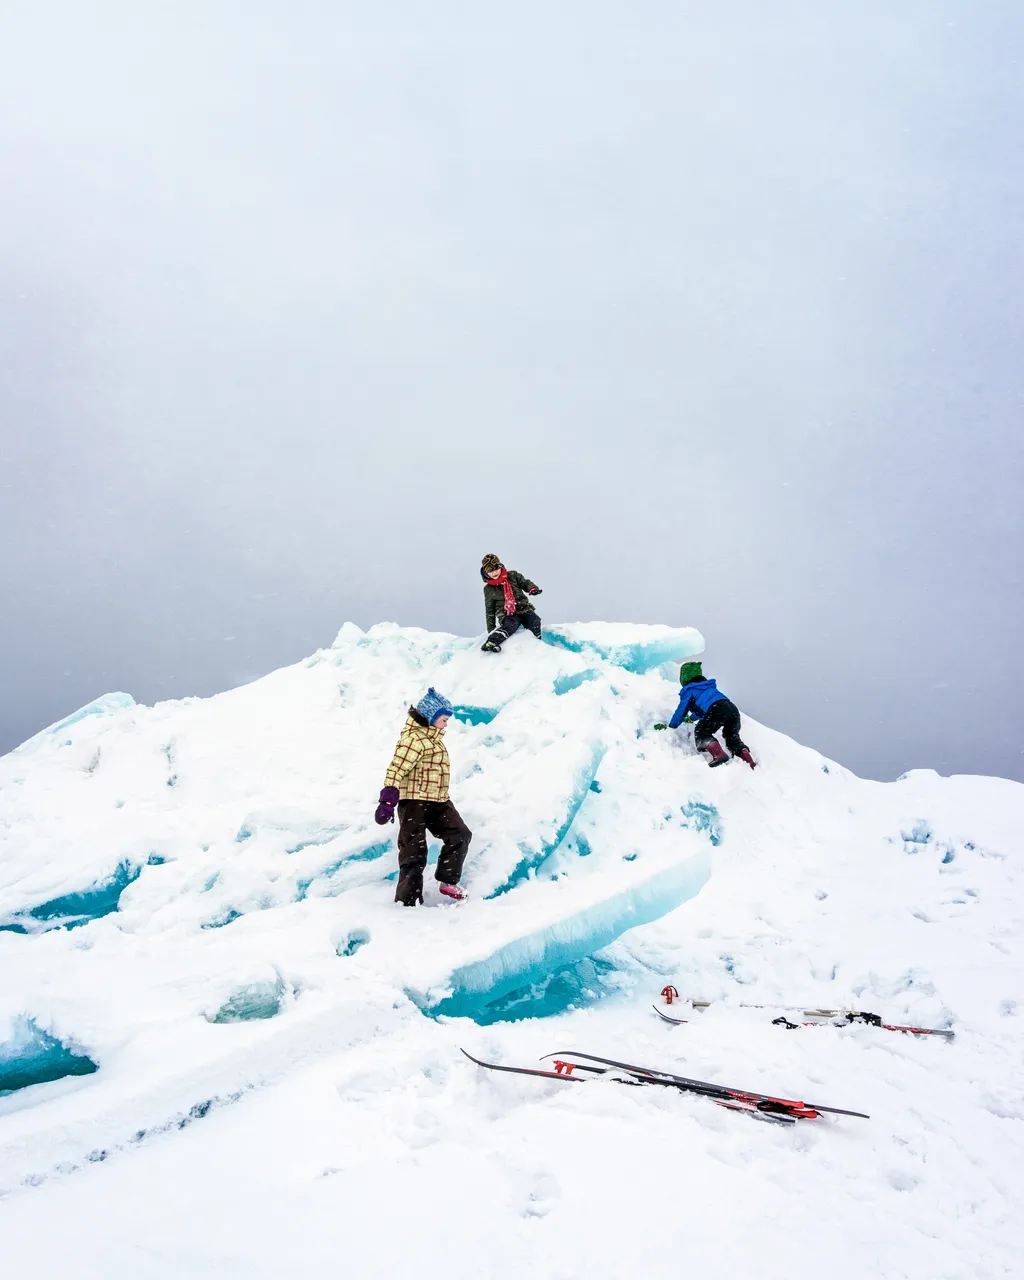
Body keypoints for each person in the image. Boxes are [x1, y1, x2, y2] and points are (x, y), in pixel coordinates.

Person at [374, 688, 472, 905]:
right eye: (444, 719)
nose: (446, 724)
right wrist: (387, 800)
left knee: (460, 834)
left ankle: (447, 881)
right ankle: (407, 901)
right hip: (414, 803)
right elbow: (396, 769)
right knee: (413, 851)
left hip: (438, 801)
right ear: (431, 717)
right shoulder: (413, 740)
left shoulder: (435, 740)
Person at [654, 661, 756, 769]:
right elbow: (703, 710)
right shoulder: (708, 687)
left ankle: (719, 754)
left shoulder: (690, 690)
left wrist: (672, 726)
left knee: (702, 731)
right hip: (732, 709)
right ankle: (748, 759)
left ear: (684, 677)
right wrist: (692, 718)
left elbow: (681, 710)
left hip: (717, 708)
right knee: (732, 737)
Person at [479, 553, 543, 653]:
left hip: (523, 608)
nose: (494, 572)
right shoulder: (488, 589)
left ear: (500, 566)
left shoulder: (512, 575)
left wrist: (532, 588)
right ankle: (491, 642)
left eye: (496, 569)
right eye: (490, 571)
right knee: (512, 624)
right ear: (485, 572)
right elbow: (490, 610)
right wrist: (490, 629)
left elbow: (525, 583)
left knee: (534, 620)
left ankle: (536, 644)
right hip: (506, 613)